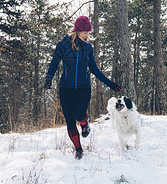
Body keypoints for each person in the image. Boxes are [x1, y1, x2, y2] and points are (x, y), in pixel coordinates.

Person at [44, 15, 121, 159]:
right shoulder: (63, 45)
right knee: (70, 120)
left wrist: (110, 83)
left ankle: (85, 122)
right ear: (77, 31)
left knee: (79, 114)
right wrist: (49, 79)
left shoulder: (88, 48)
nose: (87, 35)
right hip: (66, 88)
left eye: (88, 32)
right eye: (85, 32)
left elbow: (94, 69)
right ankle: (78, 149)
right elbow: (54, 63)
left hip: (83, 87)